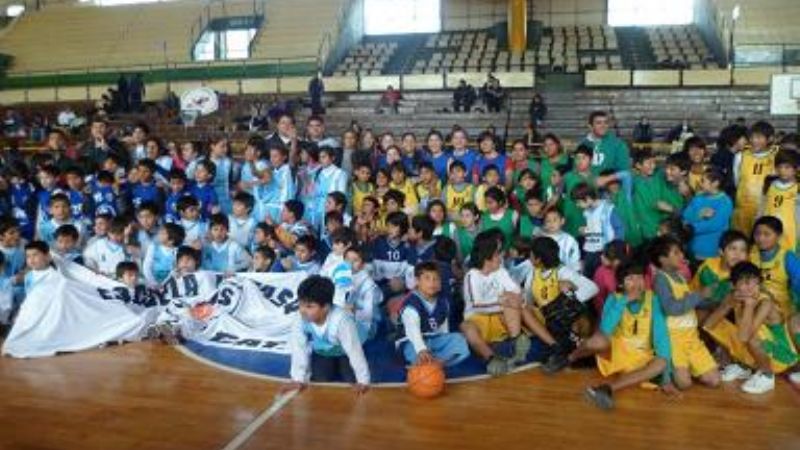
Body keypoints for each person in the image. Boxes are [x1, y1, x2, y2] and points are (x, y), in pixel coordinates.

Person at [569, 261, 677, 410]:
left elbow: (662, 337)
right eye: (630, 278)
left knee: (662, 362)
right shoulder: (615, 298)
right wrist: (624, 300)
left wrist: (666, 379)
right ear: (621, 283)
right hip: (615, 352)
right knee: (597, 341)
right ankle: (570, 357)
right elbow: (605, 330)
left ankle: (607, 389)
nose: (636, 283)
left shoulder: (653, 299)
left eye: (639, 277)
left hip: (641, 356)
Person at [704, 261, 799, 394]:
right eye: (745, 282)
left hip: (780, 358)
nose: (752, 287)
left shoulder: (765, 303)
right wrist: (728, 304)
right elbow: (708, 325)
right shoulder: (734, 296)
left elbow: (745, 337)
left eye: (756, 282)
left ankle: (767, 375)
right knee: (718, 323)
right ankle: (744, 367)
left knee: (750, 335)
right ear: (734, 285)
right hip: (754, 352)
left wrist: (749, 305)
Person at [650, 236, 721, 390]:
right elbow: (671, 308)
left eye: (681, 252)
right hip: (673, 339)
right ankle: (663, 368)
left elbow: (690, 303)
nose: (682, 255)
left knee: (714, 380)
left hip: (691, 337)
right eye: (676, 253)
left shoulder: (680, 278)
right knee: (684, 384)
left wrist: (716, 303)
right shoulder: (660, 279)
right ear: (662, 259)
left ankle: (684, 368)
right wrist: (700, 294)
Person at [461, 233, 532, 375]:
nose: (502, 256)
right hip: (477, 319)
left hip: (499, 318)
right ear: (487, 258)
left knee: (511, 298)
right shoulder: (472, 275)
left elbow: (517, 290)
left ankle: (516, 342)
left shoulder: (501, 271)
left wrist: (512, 299)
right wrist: (502, 302)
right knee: (466, 327)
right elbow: (477, 305)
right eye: (498, 254)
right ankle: (491, 358)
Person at [287, 275, 370, 393]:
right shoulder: (300, 318)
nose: (302, 310)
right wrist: (298, 378)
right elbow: (299, 347)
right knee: (320, 381)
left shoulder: (342, 320)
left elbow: (354, 350)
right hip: (324, 350)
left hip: (346, 349)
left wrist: (363, 380)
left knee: (351, 382)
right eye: (300, 304)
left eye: (309, 306)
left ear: (326, 307)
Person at [396, 261, 470, 367]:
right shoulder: (411, 304)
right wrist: (421, 349)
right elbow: (413, 331)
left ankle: (436, 364)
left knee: (459, 340)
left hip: (434, 339)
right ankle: (430, 363)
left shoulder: (444, 302)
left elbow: (443, 329)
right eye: (427, 278)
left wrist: (445, 340)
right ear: (417, 281)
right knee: (413, 351)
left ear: (440, 283)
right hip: (411, 341)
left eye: (436, 279)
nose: (432, 282)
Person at [732, 121, 778, 234]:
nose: (754, 141)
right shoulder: (740, 156)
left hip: (767, 210)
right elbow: (737, 181)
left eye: (758, 137)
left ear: (770, 138)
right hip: (743, 210)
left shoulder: (777, 156)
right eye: (751, 137)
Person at [681, 168, 733, 262]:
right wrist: (699, 215)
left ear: (715, 183)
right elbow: (685, 215)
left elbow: (715, 224)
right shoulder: (698, 197)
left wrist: (690, 228)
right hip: (691, 250)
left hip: (710, 253)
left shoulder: (725, 202)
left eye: (703, 181)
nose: (700, 183)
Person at [760, 149, 800, 251]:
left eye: (787, 167)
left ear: (796, 168)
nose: (782, 171)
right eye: (779, 167)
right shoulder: (770, 185)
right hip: (769, 232)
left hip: (790, 234)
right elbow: (762, 208)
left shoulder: (797, 188)